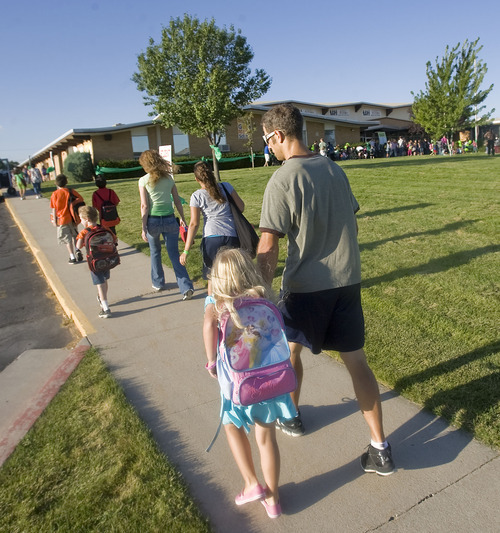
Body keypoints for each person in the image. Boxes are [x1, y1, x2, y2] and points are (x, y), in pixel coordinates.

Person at [257, 103, 395, 476]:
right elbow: (348, 218)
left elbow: (268, 245)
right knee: (358, 364)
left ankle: (293, 417)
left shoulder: (283, 179)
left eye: (267, 139)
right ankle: (380, 448)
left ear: (280, 135)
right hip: (347, 282)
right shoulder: (335, 169)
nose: (267, 146)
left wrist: (257, 292)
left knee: (289, 354)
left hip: (305, 288)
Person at [203, 248, 297, 518]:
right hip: (269, 381)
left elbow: (208, 327)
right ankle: (273, 499)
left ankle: (251, 483)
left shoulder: (218, 305)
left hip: (237, 385)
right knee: (266, 438)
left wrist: (211, 362)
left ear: (218, 279)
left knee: (232, 426)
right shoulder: (264, 299)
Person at [180, 161, 244, 295]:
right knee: (233, 275)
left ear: (196, 179)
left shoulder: (197, 196)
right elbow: (241, 207)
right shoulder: (226, 187)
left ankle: (211, 309)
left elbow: (194, 223)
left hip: (211, 238)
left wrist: (186, 250)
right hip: (231, 235)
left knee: (212, 277)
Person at [138, 149, 194, 298]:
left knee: (155, 252)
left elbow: (144, 206)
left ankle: (158, 282)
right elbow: (177, 200)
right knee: (174, 254)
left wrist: (143, 227)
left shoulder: (143, 180)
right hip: (170, 219)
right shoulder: (169, 179)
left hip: (153, 220)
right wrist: (182, 217)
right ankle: (186, 286)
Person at [76, 206, 114, 318]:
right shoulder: (105, 228)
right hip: (107, 259)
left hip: (94, 262)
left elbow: (78, 245)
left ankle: (105, 307)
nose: (81, 221)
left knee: (99, 283)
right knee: (105, 280)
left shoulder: (84, 232)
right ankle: (103, 298)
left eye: (81, 219)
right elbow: (114, 239)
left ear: (86, 219)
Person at [50, 174, 84, 264]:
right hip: (73, 218)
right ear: (66, 182)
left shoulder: (55, 194)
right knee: (75, 235)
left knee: (67, 238)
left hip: (61, 220)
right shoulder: (71, 191)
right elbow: (80, 199)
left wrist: (55, 220)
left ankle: (72, 257)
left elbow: (54, 208)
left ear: (56, 183)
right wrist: (72, 204)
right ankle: (77, 249)